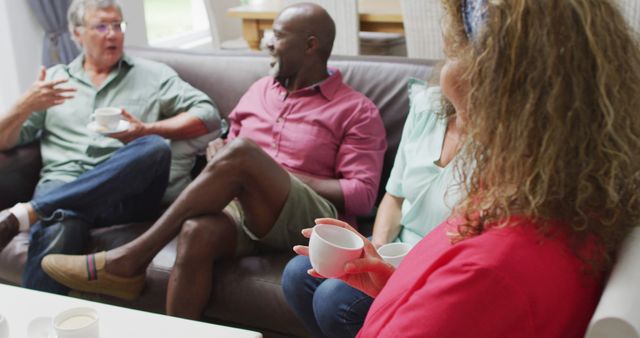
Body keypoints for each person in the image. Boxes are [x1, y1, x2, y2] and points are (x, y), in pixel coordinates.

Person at [290, 0, 640, 336]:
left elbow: (466, 298)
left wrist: (413, 302)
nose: (444, 72)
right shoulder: (537, 201)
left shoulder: (487, 273)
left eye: (454, 52)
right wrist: (396, 291)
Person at [40, 2, 387, 318]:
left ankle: (129, 259)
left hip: (311, 219)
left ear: (310, 45)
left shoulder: (355, 109)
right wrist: (219, 151)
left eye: (278, 36)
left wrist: (264, 169)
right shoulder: (260, 90)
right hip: (244, 211)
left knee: (244, 154)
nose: (267, 42)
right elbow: (230, 141)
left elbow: (362, 194)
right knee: (196, 231)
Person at [0, 0, 223, 295]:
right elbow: (5, 141)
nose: (113, 34)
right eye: (101, 26)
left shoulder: (152, 75)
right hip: (63, 188)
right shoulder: (55, 81)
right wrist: (24, 105)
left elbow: (208, 115)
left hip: (125, 195)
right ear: (77, 34)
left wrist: (146, 129)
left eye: (118, 25)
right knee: (63, 222)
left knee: (154, 148)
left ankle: (32, 211)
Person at [282, 76, 463, 337]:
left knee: (333, 301)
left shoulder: (510, 146)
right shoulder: (428, 106)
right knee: (297, 275)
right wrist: (375, 250)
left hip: (441, 262)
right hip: (397, 246)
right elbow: (394, 196)